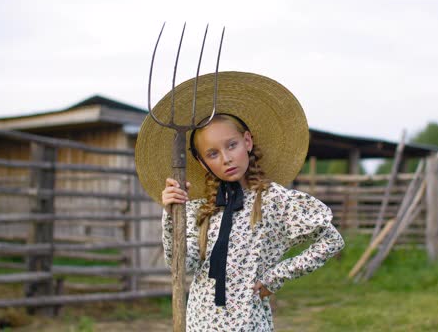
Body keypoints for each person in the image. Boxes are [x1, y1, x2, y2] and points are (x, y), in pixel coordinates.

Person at [135, 71, 344, 331]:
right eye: (213, 153)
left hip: (247, 322)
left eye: (231, 145)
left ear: (247, 141)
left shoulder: (273, 200)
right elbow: (181, 265)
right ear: (202, 162)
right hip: (201, 322)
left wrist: (275, 277)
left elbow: (332, 240)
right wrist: (171, 214)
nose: (226, 158)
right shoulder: (201, 207)